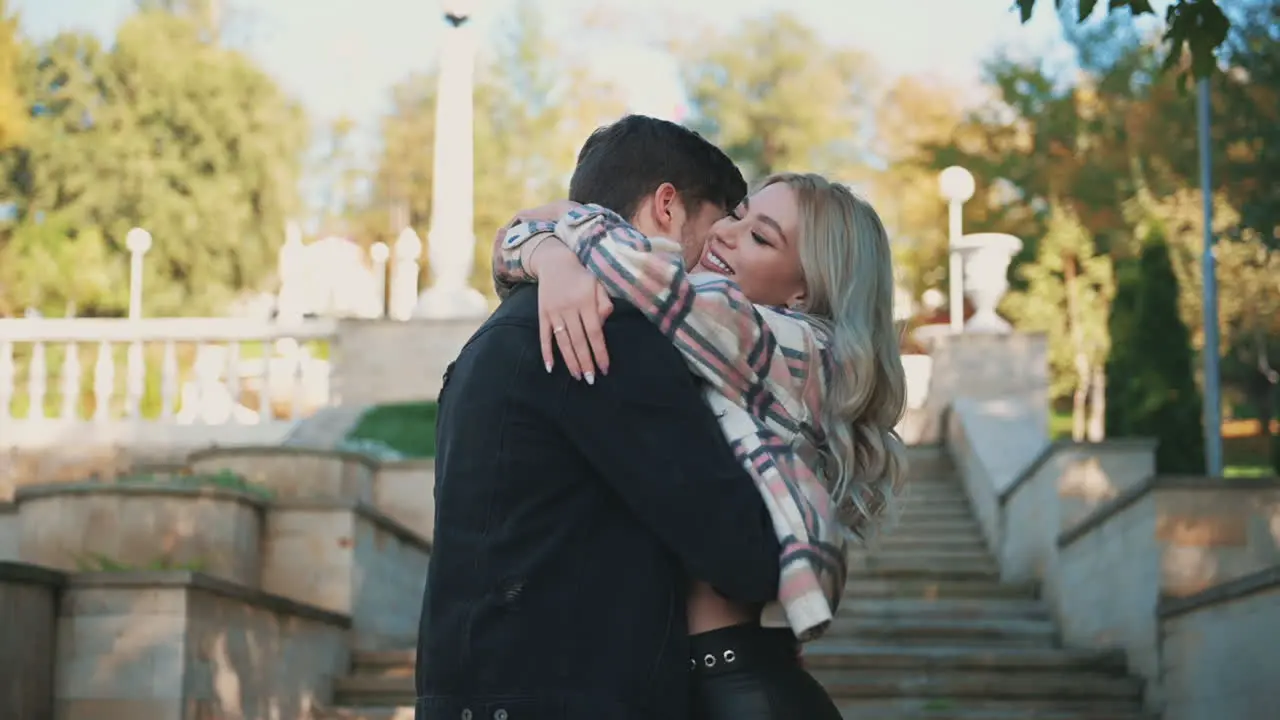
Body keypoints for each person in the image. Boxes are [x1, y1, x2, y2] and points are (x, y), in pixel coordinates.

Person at [415, 115, 793, 720]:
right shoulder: (611, 330)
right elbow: (741, 553)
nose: (718, 255)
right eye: (720, 225)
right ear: (667, 206)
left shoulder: (503, 327)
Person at [496, 171, 908, 719]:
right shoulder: (711, 350)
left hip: (740, 688)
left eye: (762, 237)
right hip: (691, 681)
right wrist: (550, 254)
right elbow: (511, 252)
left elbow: (649, 280)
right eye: (736, 215)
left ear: (803, 291)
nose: (726, 235)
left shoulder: (804, 350)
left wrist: (564, 220)